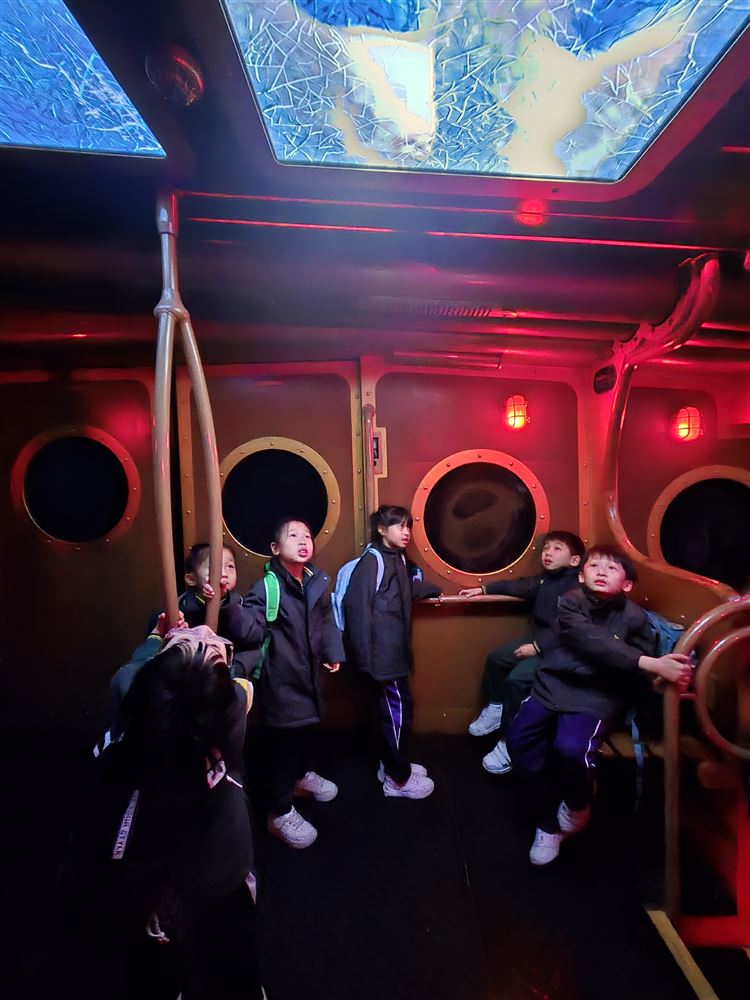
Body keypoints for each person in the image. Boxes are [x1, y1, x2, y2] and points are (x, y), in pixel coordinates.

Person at [72, 623, 262, 1000]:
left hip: (140, 892)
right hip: (212, 889)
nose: (202, 630)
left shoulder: (121, 752)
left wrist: (159, 640)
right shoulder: (225, 756)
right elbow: (239, 691)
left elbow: (130, 679)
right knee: (227, 952)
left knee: (153, 958)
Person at [508, 545, 693, 866]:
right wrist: (648, 662)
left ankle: (578, 802)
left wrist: (661, 671)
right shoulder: (569, 602)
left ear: (627, 584)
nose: (602, 572)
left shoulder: (633, 616)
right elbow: (589, 638)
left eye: (611, 568)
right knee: (519, 740)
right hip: (554, 685)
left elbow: (638, 661)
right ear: (581, 576)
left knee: (571, 749)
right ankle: (545, 823)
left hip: (597, 694)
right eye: (594, 566)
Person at [224, 518, 343, 849]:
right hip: (281, 680)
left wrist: (332, 651)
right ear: (275, 548)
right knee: (283, 749)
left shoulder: (314, 581)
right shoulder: (268, 587)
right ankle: (278, 812)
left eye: (307, 536)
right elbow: (248, 629)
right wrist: (228, 602)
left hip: (309, 679)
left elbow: (326, 620)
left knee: (307, 733)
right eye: (294, 536)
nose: (304, 541)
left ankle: (301, 778)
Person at [460, 531, 584, 775]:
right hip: (536, 641)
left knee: (516, 681)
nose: (548, 553)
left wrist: (538, 647)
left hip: (557, 650)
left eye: (557, 548)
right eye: (546, 548)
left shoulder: (576, 588)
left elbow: (569, 628)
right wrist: (483, 589)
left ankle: (511, 742)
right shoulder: (546, 581)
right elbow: (519, 585)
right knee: (496, 658)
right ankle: (496, 707)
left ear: (575, 560)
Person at [343, 504, 442, 799]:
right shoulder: (372, 561)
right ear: (381, 530)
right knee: (397, 712)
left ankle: (393, 764)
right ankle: (397, 779)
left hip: (393, 652)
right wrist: (364, 659)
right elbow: (356, 610)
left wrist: (431, 589)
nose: (406, 531)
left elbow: (404, 591)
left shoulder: (397, 557)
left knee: (396, 710)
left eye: (408, 526)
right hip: (381, 656)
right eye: (399, 526)